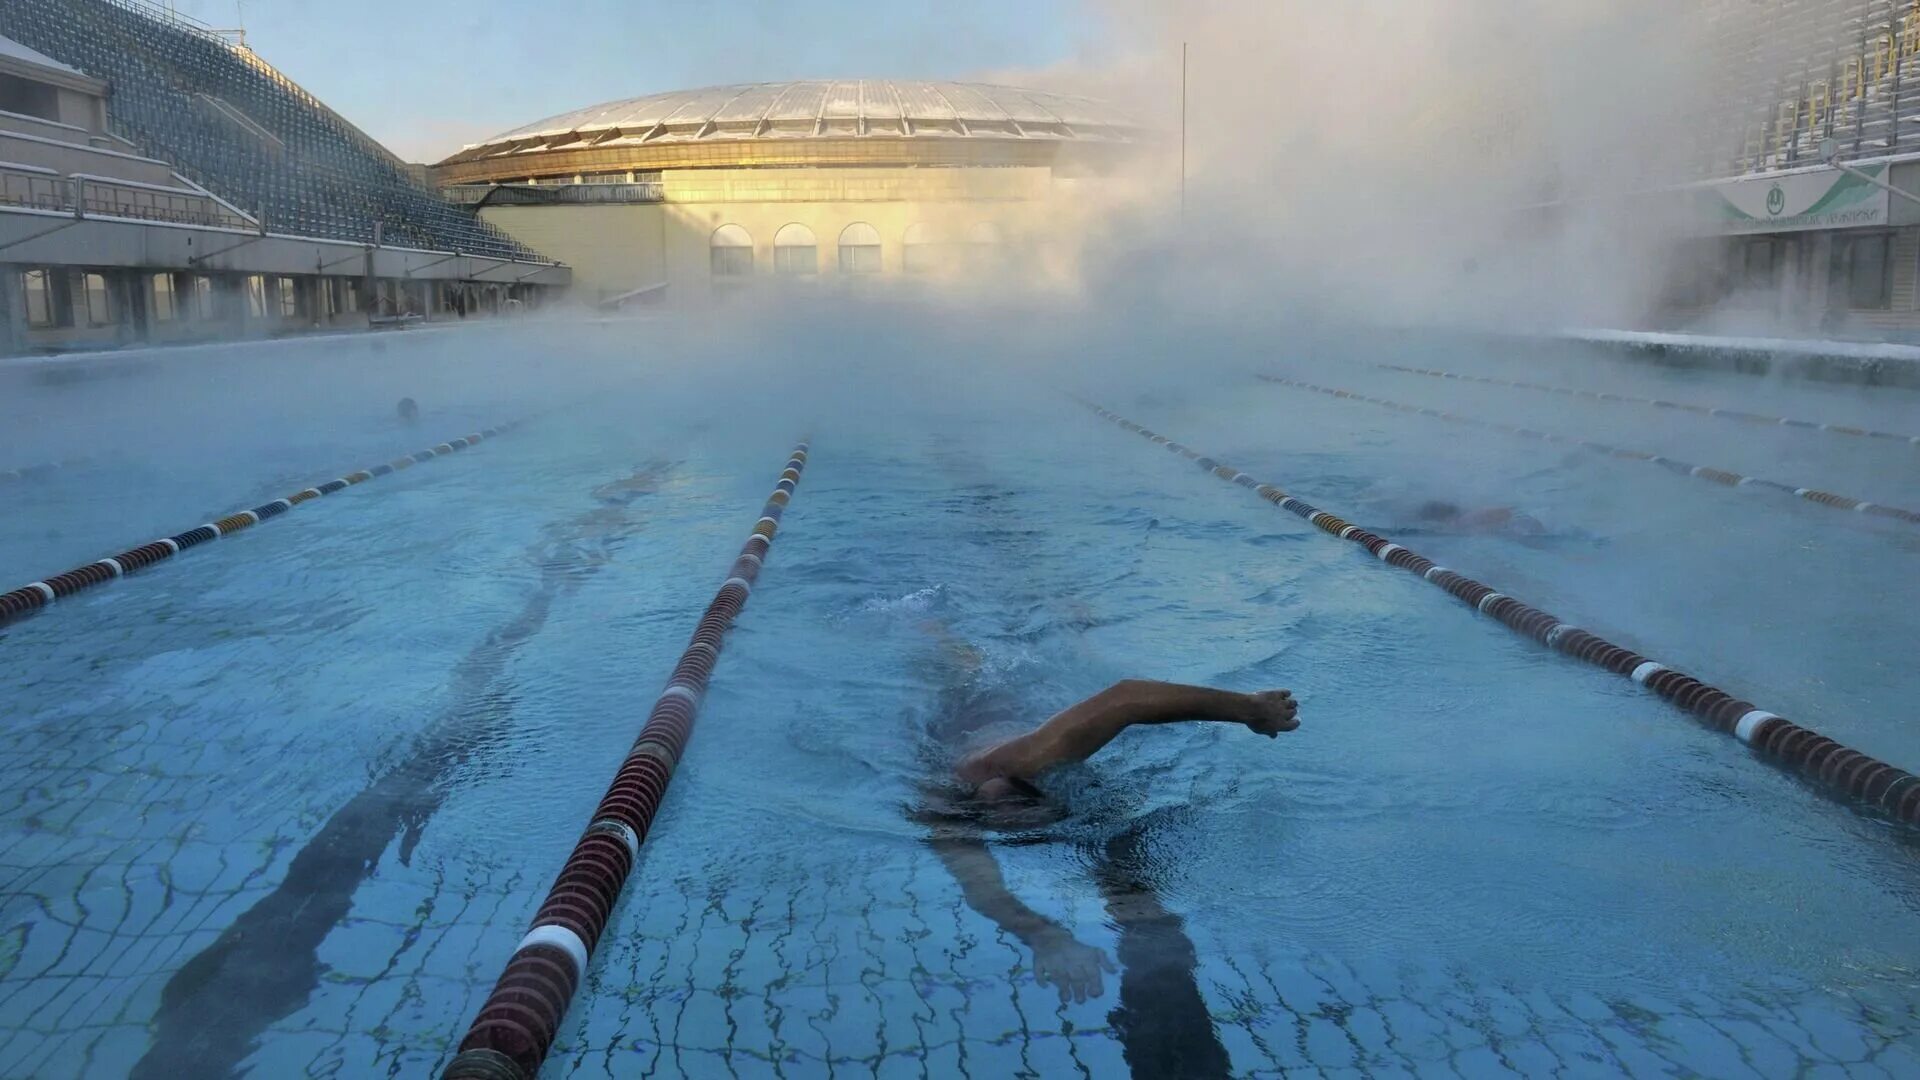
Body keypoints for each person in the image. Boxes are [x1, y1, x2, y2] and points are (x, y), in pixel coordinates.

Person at [1413, 499, 1545, 538]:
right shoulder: (1466, 518)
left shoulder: (1463, 521)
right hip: (1524, 521)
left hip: (1524, 524)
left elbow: (1505, 513)